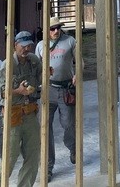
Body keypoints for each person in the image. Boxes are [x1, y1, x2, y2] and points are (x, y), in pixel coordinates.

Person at [0, 31, 41, 187]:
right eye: (23, 46)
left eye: (29, 46)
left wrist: (48, 73)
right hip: (12, 116)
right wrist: (17, 91)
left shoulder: (33, 61)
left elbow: (41, 78)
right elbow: (2, 91)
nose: (26, 49)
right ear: (15, 45)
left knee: (33, 155)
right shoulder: (8, 65)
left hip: (30, 113)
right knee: (9, 158)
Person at [35, 17, 78, 181]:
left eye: (58, 28)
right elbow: (36, 68)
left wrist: (78, 74)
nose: (56, 31)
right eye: (52, 28)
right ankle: (47, 167)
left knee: (68, 124)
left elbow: (79, 61)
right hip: (48, 90)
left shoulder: (70, 41)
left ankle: (73, 148)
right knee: (44, 128)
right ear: (46, 30)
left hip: (66, 89)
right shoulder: (40, 46)